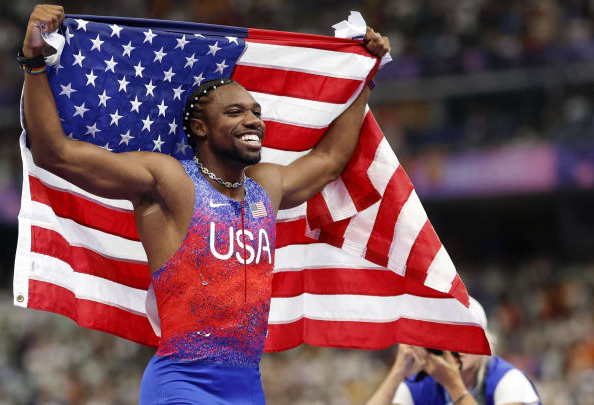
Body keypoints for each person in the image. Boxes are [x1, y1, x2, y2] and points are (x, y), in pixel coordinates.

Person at [19, 4, 390, 404]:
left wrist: (364, 77)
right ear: (199, 127)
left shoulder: (266, 186)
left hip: (248, 387)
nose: (253, 121)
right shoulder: (170, 182)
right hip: (182, 383)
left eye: (255, 112)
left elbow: (329, 160)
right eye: (235, 112)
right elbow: (55, 153)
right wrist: (34, 60)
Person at [365, 297, 540, 405]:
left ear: (486, 343)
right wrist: (398, 372)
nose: (457, 347)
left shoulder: (507, 379)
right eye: (447, 338)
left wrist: (454, 385)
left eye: (467, 337)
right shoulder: (418, 388)